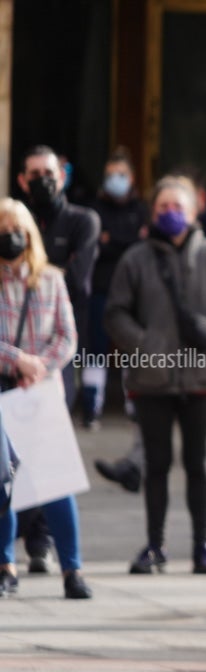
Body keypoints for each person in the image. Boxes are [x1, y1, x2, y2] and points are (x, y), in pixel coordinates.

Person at [105, 175, 206, 575]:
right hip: (150, 379)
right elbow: (115, 312)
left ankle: (203, 547)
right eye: (163, 207)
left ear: (194, 212)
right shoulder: (135, 258)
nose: (170, 214)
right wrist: (143, 343)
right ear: (152, 212)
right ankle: (155, 546)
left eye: (178, 207)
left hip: (203, 379)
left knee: (199, 463)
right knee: (156, 464)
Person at [0, 197, 91, 600]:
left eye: (15, 228)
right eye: (2, 230)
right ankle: (6, 565)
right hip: (4, 390)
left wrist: (38, 367)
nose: (10, 237)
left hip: (42, 393)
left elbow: (67, 336)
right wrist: (17, 360)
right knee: (3, 484)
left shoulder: (52, 279)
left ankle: (72, 569)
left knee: (56, 484)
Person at [17, 146, 100, 416]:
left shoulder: (83, 221)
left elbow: (77, 281)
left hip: (60, 344)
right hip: (14, 343)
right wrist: (56, 271)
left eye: (49, 173)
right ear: (22, 180)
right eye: (35, 174)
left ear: (62, 177)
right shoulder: (13, 223)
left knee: (52, 427)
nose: (43, 179)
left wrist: (26, 273)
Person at [87, 146, 149, 430]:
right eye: (111, 175)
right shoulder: (95, 210)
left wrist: (112, 240)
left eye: (121, 175)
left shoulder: (142, 210)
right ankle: (91, 408)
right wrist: (127, 240)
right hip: (101, 287)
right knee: (96, 349)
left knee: (133, 346)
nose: (116, 180)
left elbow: (141, 247)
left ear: (132, 177)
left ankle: (135, 405)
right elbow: (96, 246)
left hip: (135, 291)